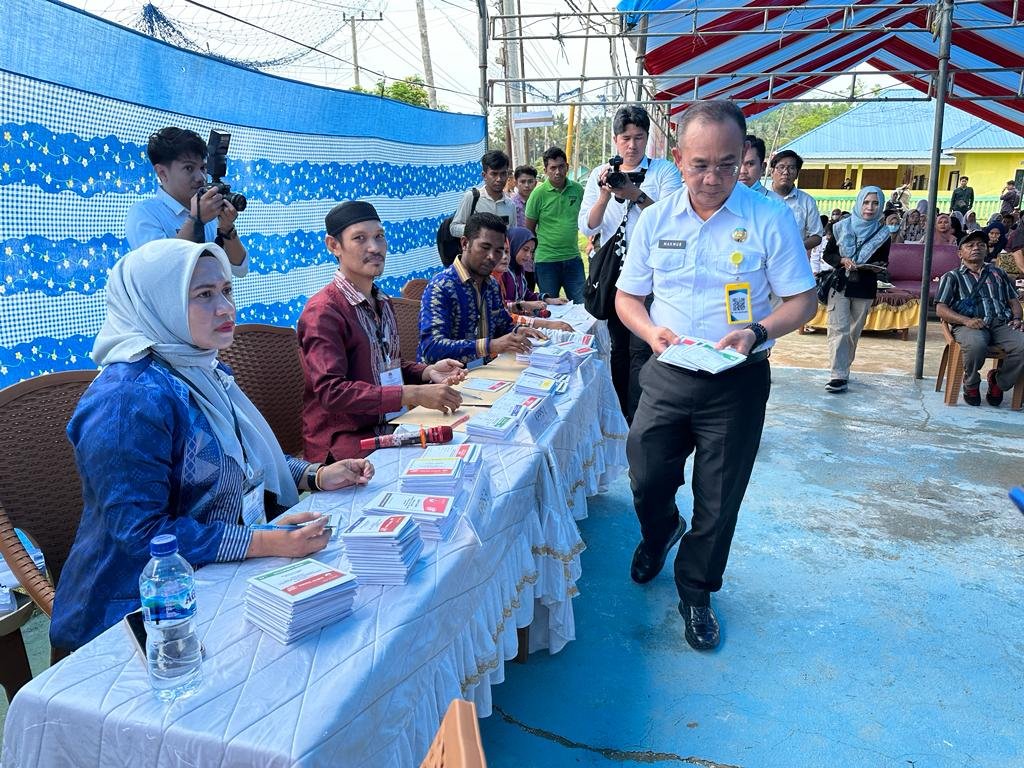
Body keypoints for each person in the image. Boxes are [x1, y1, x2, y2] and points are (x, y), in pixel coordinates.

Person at [49, 240, 374, 652]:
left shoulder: (201, 369)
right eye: (204, 295)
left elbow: (240, 459)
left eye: (226, 290)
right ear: (158, 303)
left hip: (215, 574)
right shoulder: (128, 399)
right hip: (135, 614)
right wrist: (263, 541)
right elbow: (143, 536)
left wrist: (316, 474)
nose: (225, 308)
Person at [615, 100, 816, 652]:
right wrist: (651, 331)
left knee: (719, 498)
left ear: (745, 157)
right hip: (669, 370)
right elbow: (627, 297)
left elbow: (803, 301)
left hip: (737, 380)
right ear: (678, 159)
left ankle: (697, 590)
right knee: (646, 474)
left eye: (727, 165)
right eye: (700, 165)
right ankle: (661, 530)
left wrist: (757, 330)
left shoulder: (768, 218)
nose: (712, 178)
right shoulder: (656, 219)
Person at [297, 201, 469, 462]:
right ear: (334, 245)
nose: (375, 247)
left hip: (391, 428)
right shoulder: (323, 312)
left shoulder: (382, 301)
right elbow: (332, 392)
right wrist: (413, 393)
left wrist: (427, 372)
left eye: (379, 236)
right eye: (360, 238)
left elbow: (385, 364)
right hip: (343, 448)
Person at [579, 105, 684, 421]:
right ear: (615, 140)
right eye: (625, 138)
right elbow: (588, 227)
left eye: (639, 137)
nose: (632, 145)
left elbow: (672, 220)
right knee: (618, 348)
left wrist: (634, 193)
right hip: (614, 274)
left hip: (652, 274)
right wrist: (604, 195)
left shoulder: (664, 172)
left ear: (647, 138)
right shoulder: (600, 174)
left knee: (643, 347)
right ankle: (619, 415)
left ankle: (639, 417)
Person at [418, 212, 544, 364]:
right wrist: (490, 346)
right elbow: (432, 349)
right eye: (485, 247)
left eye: (499, 250)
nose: (492, 256)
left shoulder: (491, 285)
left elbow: (503, 326)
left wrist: (518, 331)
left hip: (485, 371)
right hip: (447, 376)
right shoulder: (441, 287)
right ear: (465, 244)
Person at [125, 127, 248, 275]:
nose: (201, 178)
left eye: (203, 168)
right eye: (189, 168)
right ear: (162, 173)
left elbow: (240, 269)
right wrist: (196, 220)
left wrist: (227, 229)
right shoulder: (144, 213)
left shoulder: (208, 209)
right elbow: (160, 272)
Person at [936, 230, 1024, 406]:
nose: (976, 248)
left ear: (987, 250)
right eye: (970, 245)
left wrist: (1017, 318)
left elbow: (1013, 301)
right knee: (976, 345)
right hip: (969, 324)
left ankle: (999, 382)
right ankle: (971, 383)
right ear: (960, 253)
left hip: (1001, 322)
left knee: (1023, 345)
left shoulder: (999, 274)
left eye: (981, 245)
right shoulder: (952, 277)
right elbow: (940, 308)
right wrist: (965, 320)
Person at [820, 186, 891, 394]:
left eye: (875, 203)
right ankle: (837, 375)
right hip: (840, 285)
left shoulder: (883, 234)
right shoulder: (840, 227)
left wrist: (873, 266)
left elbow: (883, 261)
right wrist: (842, 260)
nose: (870, 207)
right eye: (866, 202)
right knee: (838, 329)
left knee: (853, 332)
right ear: (859, 203)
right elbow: (828, 255)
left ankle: (844, 368)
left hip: (864, 286)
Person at [525, 147, 586, 303]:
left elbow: (587, 217)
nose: (557, 172)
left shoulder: (578, 190)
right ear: (545, 170)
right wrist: (532, 254)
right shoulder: (537, 194)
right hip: (546, 261)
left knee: (582, 305)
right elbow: (529, 229)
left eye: (561, 166)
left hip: (573, 258)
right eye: (552, 168)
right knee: (550, 307)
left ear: (567, 167)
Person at [450, 150, 516, 237]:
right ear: (484, 175)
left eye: (503, 174)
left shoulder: (510, 205)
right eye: (494, 174)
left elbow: (513, 235)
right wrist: (478, 230)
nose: (499, 179)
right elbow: (454, 228)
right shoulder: (472, 198)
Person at [768, 149, 823, 254]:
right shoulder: (761, 197)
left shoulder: (807, 202)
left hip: (793, 258)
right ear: (772, 172)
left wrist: (795, 248)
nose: (786, 172)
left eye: (791, 168)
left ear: (797, 174)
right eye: (781, 167)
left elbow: (816, 236)